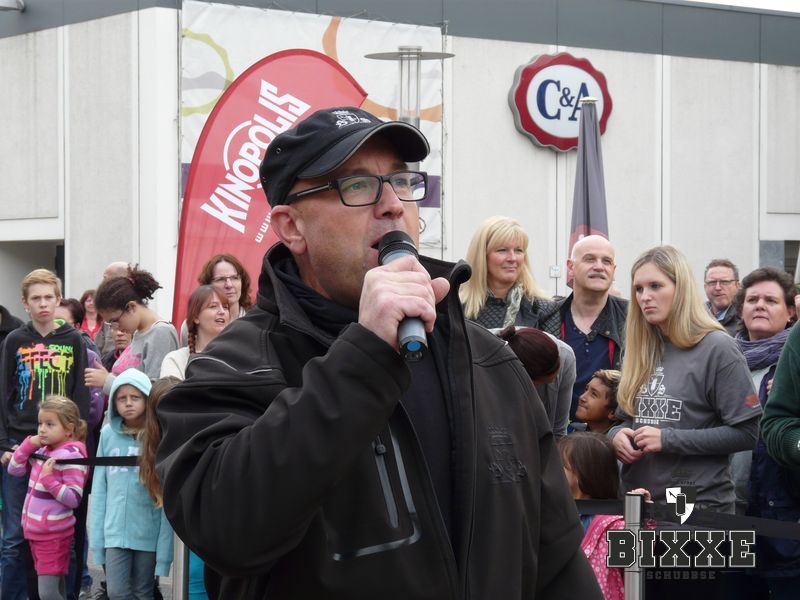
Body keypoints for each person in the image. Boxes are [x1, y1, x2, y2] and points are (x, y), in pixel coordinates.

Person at [155, 105, 602, 598]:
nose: (392, 205)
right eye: (357, 185)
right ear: (291, 227)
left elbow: (556, 558)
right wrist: (364, 355)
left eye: (402, 182)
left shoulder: (489, 361)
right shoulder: (236, 364)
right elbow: (225, 530)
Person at [610, 245, 760, 595]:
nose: (645, 297)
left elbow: (747, 433)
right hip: (636, 510)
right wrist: (615, 436)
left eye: (655, 286)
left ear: (681, 288)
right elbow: (624, 420)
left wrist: (668, 439)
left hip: (696, 511)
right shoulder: (640, 346)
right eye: (638, 288)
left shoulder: (717, 347)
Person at [0, 268, 89, 600]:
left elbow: (80, 394)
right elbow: (2, 392)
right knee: (14, 536)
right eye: (35, 298)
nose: (43, 304)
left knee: (65, 534)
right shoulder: (14, 340)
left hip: (62, 451)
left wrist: (76, 444)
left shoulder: (73, 339)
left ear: (58, 299)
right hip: (20, 446)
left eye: (48, 297)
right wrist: (3, 443)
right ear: (25, 303)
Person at [462, 216, 576, 438]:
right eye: (502, 250)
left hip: (530, 424)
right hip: (476, 423)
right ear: (482, 255)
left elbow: (551, 371)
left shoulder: (544, 308)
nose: (513, 258)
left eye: (519, 250)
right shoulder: (459, 308)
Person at [730, 267, 798, 597]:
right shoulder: (722, 359)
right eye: (752, 299)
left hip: (784, 512)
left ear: (790, 312)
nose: (760, 305)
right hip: (730, 511)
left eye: (771, 300)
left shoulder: (793, 362)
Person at [89, 369, 173, 600]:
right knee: (116, 592)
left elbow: (164, 496)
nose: (128, 403)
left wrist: (164, 553)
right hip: (114, 532)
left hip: (147, 533)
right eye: (121, 398)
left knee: (143, 593)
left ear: (147, 400)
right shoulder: (107, 435)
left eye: (135, 397)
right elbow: (100, 489)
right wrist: (98, 538)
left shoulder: (157, 437)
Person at [8, 396, 89, 600]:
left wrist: (49, 480)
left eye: (50, 424)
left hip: (53, 535)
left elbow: (73, 498)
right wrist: (29, 444)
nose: (42, 429)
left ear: (69, 429)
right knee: (55, 590)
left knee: (47, 593)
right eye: (40, 423)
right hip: (37, 533)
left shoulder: (72, 456)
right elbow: (14, 469)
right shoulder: (44, 450)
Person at [539, 235, 628, 422]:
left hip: (614, 433)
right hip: (554, 431)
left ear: (614, 270)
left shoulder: (632, 318)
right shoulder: (544, 318)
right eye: (590, 259)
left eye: (606, 261)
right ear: (570, 266)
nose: (599, 266)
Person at [84, 265, 179, 397]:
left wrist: (108, 381)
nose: (116, 327)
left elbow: (156, 392)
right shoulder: (140, 333)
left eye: (115, 320)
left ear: (131, 307)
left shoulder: (161, 333)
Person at [559, 432, 623, 600]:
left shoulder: (613, 525)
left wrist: (640, 513)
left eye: (560, 465)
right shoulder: (557, 512)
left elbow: (640, 550)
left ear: (580, 473)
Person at [494, 325, 575, 438]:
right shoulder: (478, 354)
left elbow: (558, 430)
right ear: (525, 380)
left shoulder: (565, 356)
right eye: (542, 384)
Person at [179, 255, 252, 345]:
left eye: (234, 278)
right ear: (208, 285)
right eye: (221, 279)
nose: (229, 285)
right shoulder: (192, 326)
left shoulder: (256, 322)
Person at [162, 286, 230, 379]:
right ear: (196, 317)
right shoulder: (176, 360)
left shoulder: (238, 357)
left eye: (225, 307)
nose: (222, 312)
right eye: (213, 306)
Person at [573, 369, 621, 435]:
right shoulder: (573, 430)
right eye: (586, 389)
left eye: (594, 394)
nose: (582, 397)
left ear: (613, 413)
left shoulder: (615, 441)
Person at [704, 258, 742, 336]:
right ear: (705, 287)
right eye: (712, 282)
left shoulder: (745, 322)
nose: (718, 287)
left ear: (737, 286)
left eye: (724, 282)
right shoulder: (694, 319)